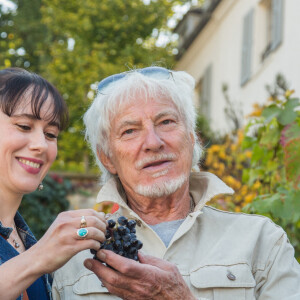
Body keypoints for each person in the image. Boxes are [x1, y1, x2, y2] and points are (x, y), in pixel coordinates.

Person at [52, 67, 300, 300]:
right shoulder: (73, 257)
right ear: (108, 158)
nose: (153, 142)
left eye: (166, 122)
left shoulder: (262, 240)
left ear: (191, 139)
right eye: (129, 131)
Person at [0, 67, 107, 300]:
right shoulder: (38, 254)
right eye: (24, 126)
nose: (41, 144)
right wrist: (39, 257)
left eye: (50, 134)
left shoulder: (25, 240)